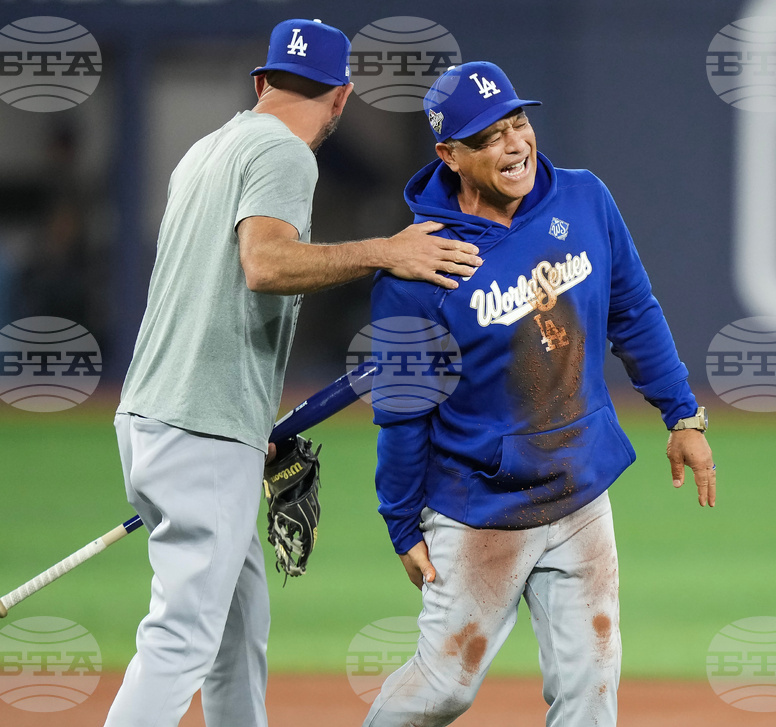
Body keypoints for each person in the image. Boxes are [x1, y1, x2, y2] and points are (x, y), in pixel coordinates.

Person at [104, 20, 482, 727]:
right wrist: (384, 251)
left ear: (261, 83)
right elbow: (265, 264)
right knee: (183, 636)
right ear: (341, 99)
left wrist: (249, 429)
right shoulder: (285, 154)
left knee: (237, 628)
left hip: (167, 413)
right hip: (198, 425)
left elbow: (200, 294)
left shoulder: (208, 150)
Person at [364, 61, 716, 726]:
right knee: (444, 687)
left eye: (518, 123)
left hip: (581, 492)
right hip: (479, 511)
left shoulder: (585, 200)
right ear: (450, 154)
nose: (516, 143)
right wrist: (400, 518)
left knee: (591, 690)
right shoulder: (418, 265)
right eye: (490, 136)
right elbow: (403, 408)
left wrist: (682, 414)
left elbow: (633, 311)